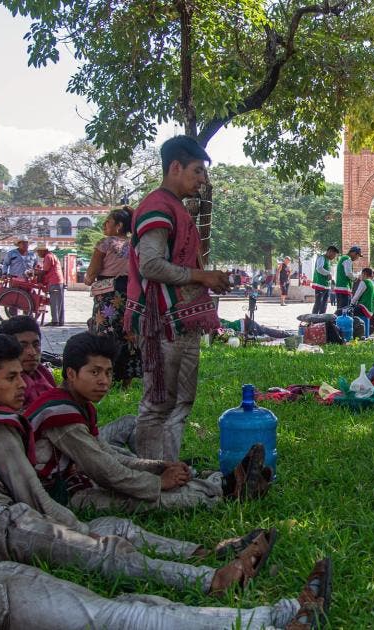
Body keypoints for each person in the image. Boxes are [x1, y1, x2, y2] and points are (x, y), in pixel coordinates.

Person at [0, 413, 332, 630]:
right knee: (112, 613)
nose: (25, 378)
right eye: (15, 372)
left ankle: (226, 580)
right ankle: (275, 616)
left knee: (115, 604)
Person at [0, 336, 275, 595]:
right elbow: (39, 494)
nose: (23, 385)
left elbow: (106, 456)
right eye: (11, 378)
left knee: (120, 529)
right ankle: (214, 569)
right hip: (0, 519)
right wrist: (81, 526)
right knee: (105, 547)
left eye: (22, 376)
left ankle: (203, 552)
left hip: (25, 508)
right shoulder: (1, 423)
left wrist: (157, 468)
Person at [25, 332, 270, 514]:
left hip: (76, 479)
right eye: (95, 372)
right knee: (145, 499)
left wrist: (159, 466)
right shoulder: (60, 413)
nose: (104, 381)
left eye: (109, 373)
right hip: (58, 496)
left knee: (150, 480)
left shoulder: (79, 405)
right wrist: (157, 481)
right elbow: (104, 470)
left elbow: (108, 453)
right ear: (70, 374)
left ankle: (225, 482)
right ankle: (225, 492)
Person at [127, 136, 229, 462]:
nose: (203, 180)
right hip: (162, 322)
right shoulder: (157, 206)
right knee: (157, 403)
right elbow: (150, 264)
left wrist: (208, 278)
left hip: (183, 322)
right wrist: (203, 276)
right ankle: (150, 473)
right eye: (198, 171)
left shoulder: (177, 209)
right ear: (175, 167)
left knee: (181, 402)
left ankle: (170, 468)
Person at [84, 207, 141, 386]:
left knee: (105, 334)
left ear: (119, 226)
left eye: (108, 222)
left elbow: (92, 272)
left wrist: (88, 279)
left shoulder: (105, 243)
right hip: (131, 294)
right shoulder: (135, 244)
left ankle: (106, 377)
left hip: (108, 296)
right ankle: (127, 381)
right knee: (128, 333)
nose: (104, 225)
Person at [0, 315, 56, 404]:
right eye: (23, 346)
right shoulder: (3, 385)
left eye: (36, 345)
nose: (32, 352)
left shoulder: (42, 372)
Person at [35, 243, 65, 326]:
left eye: (38, 252)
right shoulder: (51, 255)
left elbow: (44, 271)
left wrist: (37, 275)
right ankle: (60, 320)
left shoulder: (48, 256)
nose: (38, 253)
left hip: (54, 281)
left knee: (54, 301)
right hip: (58, 281)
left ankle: (55, 321)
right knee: (59, 301)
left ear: (43, 251)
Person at [348, 268, 374, 332]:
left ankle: (354, 333)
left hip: (363, 308)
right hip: (371, 309)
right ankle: (366, 333)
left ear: (364, 274)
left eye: (361, 274)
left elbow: (357, 296)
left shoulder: (364, 282)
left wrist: (351, 305)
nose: (360, 276)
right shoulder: (373, 284)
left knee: (346, 313)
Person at [332, 246, 361, 311]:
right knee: (344, 311)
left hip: (340, 287)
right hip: (344, 288)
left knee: (340, 310)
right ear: (353, 253)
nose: (357, 258)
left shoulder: (343, 258)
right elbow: (348, 273)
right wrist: (356, 278)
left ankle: (338, 321)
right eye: (357, 255)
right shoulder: (347, 259)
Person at [310, 245, 337, 315]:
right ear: (329, 252)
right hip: (320, 285)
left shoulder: (328, 260)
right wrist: (328, 273)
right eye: (334, 255)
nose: (334, 257)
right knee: (318, 304)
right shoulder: (321, 258)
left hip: (326, 286)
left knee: (324, 305)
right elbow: (319, 268)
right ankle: (314, 320)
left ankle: (321, 321)